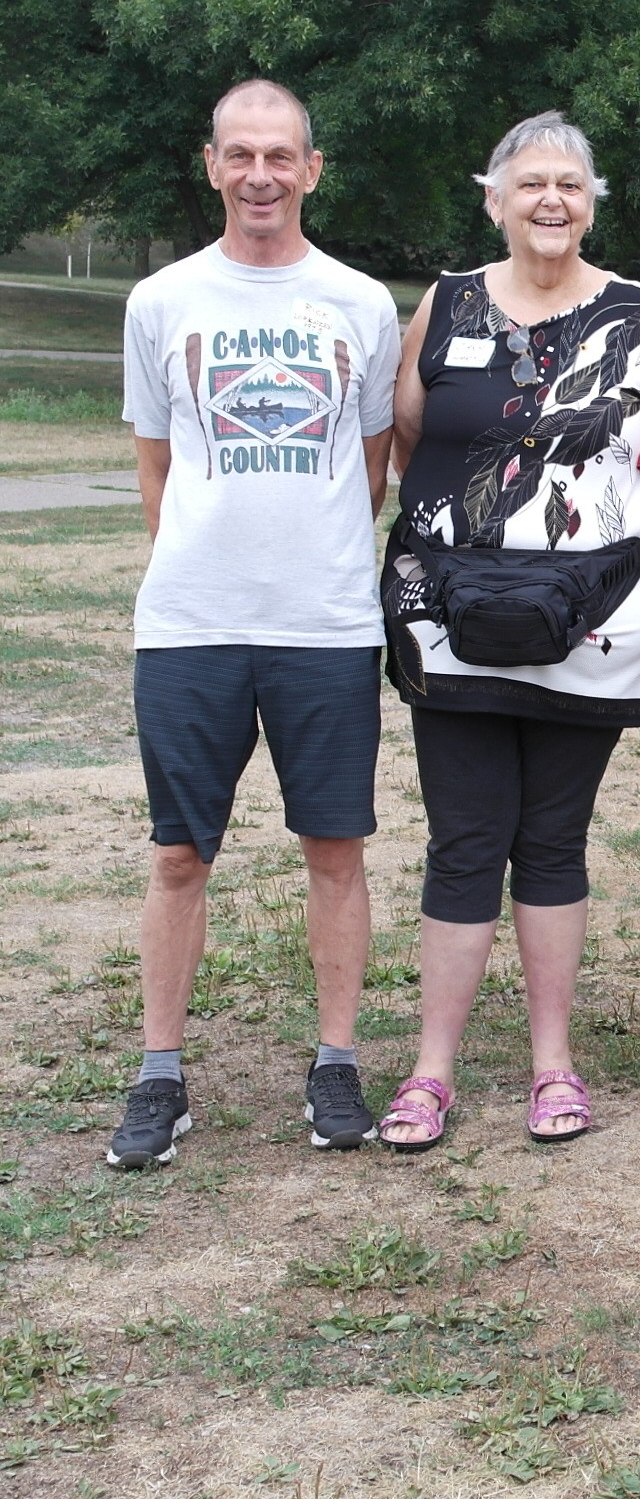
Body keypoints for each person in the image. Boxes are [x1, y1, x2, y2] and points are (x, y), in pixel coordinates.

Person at [110, 79, 401, 1170]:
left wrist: (302, 563)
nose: (260, 174)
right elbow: (156, 467)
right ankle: (160, 1074)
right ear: (212, 164)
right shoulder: (161, 300)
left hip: (325, 626)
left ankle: (336, 1062)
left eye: (280, 155)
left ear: (311, 170)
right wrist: (208, 567)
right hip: (191, 626)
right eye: (240, 154)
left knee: (336, 847)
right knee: (179, 854)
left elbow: (368, 470)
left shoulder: (361, 303)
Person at [373, 113, 640, 1150]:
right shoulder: (446, 300)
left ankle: (553, 1066)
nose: (552, 199)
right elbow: (413, 432)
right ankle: (431, 1071)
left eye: (570, 184)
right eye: (531, 182)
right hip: (449, 619)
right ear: (494, 199)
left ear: (592, 202)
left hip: (586, 620)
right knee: (463, 841)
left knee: (552, 840)